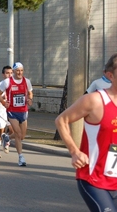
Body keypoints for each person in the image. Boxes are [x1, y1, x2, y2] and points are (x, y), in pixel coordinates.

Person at [55, 53, 117, 212]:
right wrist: (74, 151)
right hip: (94, 178)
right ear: (110, 75)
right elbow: (61, 120)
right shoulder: (95, 100)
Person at [0, 62, 33, 166]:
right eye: (18, 70)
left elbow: (30, 93)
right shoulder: (8, 82)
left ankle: (7, 137)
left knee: (22, 136)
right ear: (14, 71)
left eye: (21, 70)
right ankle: (21, 157)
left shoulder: (27, 81)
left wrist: (30, 99)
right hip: (12, 111)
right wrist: (3, 103)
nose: (20, 72)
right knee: (17, 133)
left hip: (23, 111)